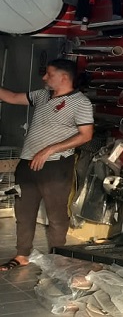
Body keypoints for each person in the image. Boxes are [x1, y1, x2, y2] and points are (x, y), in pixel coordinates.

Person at [0, 58, 93, 272]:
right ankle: (22, 255)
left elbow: (86, 135)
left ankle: (58, 258)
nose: (44, 78)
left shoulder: (81, 102)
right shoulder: (42, 95)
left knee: (56, 216)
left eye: (49, 74)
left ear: (63, 77)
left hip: (55, 166)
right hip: (27, 164)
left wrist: (50, 149)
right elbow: (11, 97)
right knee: (23, 213)